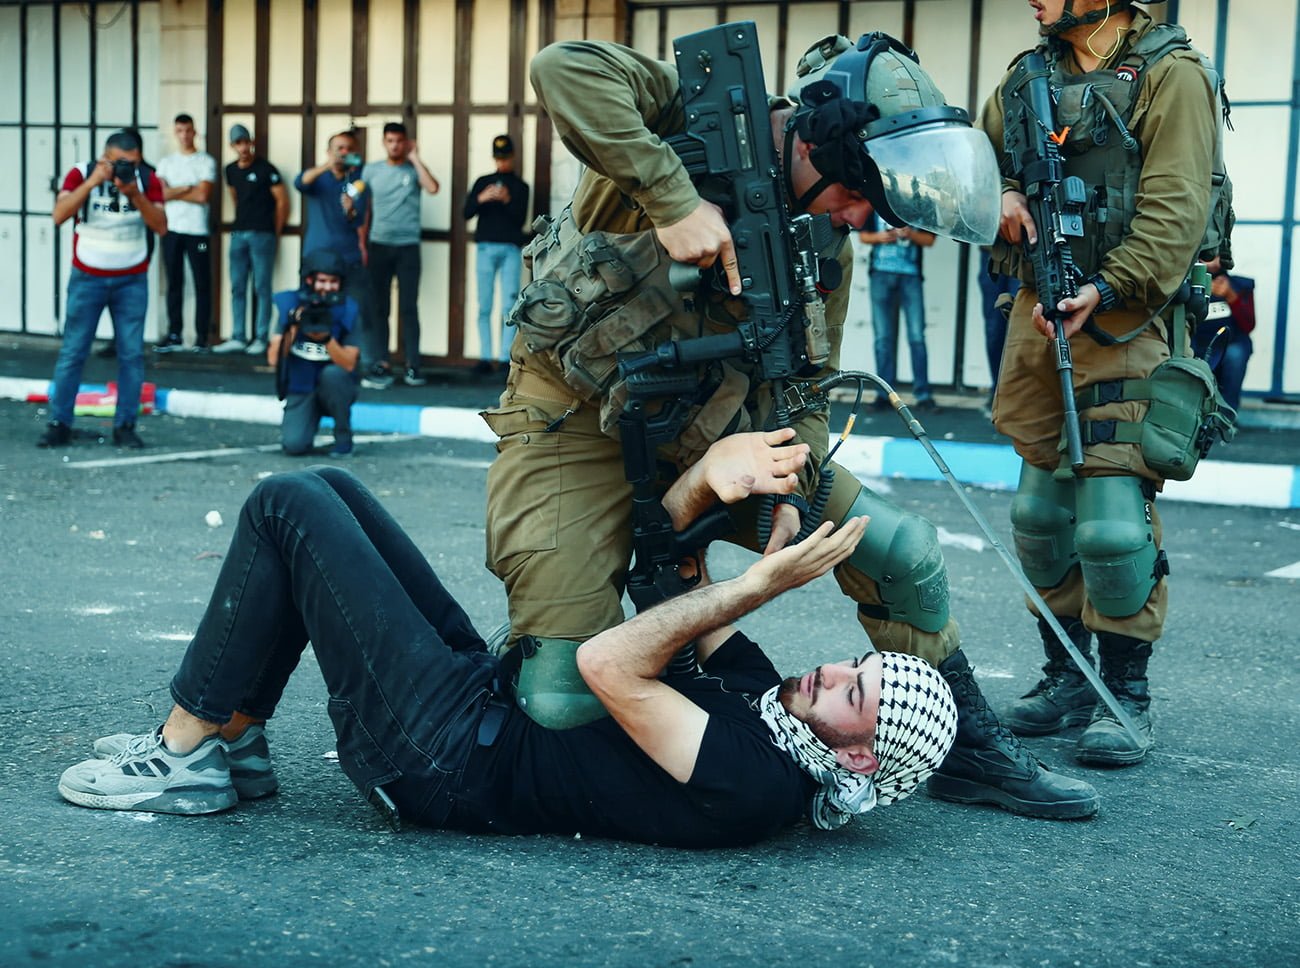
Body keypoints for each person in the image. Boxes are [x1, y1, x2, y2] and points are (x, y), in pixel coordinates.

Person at [481, 32, 1100, 820]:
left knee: (901, 549)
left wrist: (791, 493)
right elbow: (562, 69)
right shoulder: (696, 119)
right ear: (816, 149)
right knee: (561, 704)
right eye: (858, 194)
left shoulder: (826, 240)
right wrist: (673, 201)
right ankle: (573, 648)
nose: (863, 216)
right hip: (579, 420)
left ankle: (967, 746)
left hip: (721, 437)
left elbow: (805, 386)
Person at [57, 433, 961, 848]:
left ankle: (183, 750)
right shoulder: (774, 706)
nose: (831, 670)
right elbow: (673, 595)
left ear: (863, 762)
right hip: (484, 699)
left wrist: (754, 588)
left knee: (284, 508)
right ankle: (237, 740)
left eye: (854, 692)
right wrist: (768, 542)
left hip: (441, 762)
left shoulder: (756, 780)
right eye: (854, 662)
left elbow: (606, 662)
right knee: (331, 487)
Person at [980, 0, 1223, 764]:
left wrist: (1110, 288)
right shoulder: (1028, 76)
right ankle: (1067, 677)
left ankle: (1125, 689)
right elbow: (975, 161)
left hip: (1126, 316)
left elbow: (1175, 209)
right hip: (1040, 310)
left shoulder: (1170, 75)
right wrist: (1001, 196)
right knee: (1040, 515)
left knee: (1112, 521)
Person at [38, 129, 167, 450]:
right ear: (104, 157)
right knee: (73, 352)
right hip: (88, 277)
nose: (126, 168)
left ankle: (125, 425)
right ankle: (59, 423)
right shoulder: (81, 173)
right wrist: (93, 182)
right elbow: (59, 214)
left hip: (131, 279)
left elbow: (162, 226)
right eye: (119, 163)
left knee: (132, 355)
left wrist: (135, 194)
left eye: (133, 163)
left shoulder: (148, 179)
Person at [362, 122, 440, 388]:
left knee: (408, 307)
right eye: (390, 141)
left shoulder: (414, 169)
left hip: (408, 247)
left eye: (399, 141)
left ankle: (412, 365)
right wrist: (362, 244)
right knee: (379, 308)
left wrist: (416, 158)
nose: (394, 145)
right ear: (384, 142)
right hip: (379, 245)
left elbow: (432, 188)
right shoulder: (371, 171)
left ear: (406, 142)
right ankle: (381, 363)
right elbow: (363, 208)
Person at [295, 130, 373, 383]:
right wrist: (328, 166)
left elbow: (359, 220)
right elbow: (301, 183)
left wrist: (350, 211)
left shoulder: (359, 182)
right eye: (338, 148)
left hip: (348, 258)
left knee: (353, 312)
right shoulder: (319, 178)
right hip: (317, 259)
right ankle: (307, 363)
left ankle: (356, 366)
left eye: (348, 149)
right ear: (329, 152)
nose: (343, 153)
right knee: (313, 310)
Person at [268, 251, 360, 457]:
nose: (327, 288)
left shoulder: (349, 309)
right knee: (294, 446)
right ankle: (306, 423)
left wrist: (327, 339)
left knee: (333, 375)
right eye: (322, 281)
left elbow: (349, 364)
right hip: (301, 386)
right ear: (309, 280)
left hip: (334, 387)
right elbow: (274, 358)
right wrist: (293, 326)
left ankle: (343, 435)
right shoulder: (290, 303)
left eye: (333, 282)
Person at [213, 124, 288, 357]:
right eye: (238, 143)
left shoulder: (266, 169)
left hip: (262, 233)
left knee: (261, 286)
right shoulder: (231, 170)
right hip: (238, 232)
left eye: (246, 142)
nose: (243, 147)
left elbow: (282, 202)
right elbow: (235, 197)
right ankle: (238, 335)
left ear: (252, 142)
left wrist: (273, 231)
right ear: (232, 146)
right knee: (237, 285)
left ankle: (261, 336)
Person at [464, 133, 530, 373]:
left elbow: (520, 219)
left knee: (509, 305)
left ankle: (504, 357)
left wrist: (507, 199)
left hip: (510, 248)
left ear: (512, 157)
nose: (502, 163)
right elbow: (466, 212)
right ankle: (484, 356)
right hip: (485, 247)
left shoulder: (521, 187)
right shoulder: (483, 181)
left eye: (505, 158)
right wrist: (482, 198)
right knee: (484, 303)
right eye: (498, 158)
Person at [858, 211, 937, 411]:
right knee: (883, 338)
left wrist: (909, 234)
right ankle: (884, 394)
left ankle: (923, 393)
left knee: (916, 337)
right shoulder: (875, 204)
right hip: (881, 275)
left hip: (910, 277)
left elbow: (929, 239)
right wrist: (881, 237)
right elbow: (863, 235)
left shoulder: (918, 206)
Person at [155, 114, 217, 353]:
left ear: (195, 132)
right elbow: (161, 195)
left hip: (197, 230)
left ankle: (202, 336)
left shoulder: (205, 161)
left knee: (202, 281)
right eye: (179, 130)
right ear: (175, 132)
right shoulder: (167, 162)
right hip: (172, 228)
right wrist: (186, 188)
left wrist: (174, 190)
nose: (184, 135)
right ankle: (174, 333)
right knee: (174, 281)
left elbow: (202, 196)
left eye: (188, 130)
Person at [1194, 257, 1254, 413]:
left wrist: (1231, 296)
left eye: (1217, 257)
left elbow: (1248, 325)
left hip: (1229, 345)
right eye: (1207, 257)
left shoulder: (1239, 285)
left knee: (1236, 354)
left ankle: (1227, 417)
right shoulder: (1188, 285)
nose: (1212, 263)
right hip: (1196, 344)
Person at [976, 250, 1020, 416]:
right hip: (993, 250)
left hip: (1025, 252)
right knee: (994, 329)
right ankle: (998, 391)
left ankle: (1016, 394)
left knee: (1018, 326)